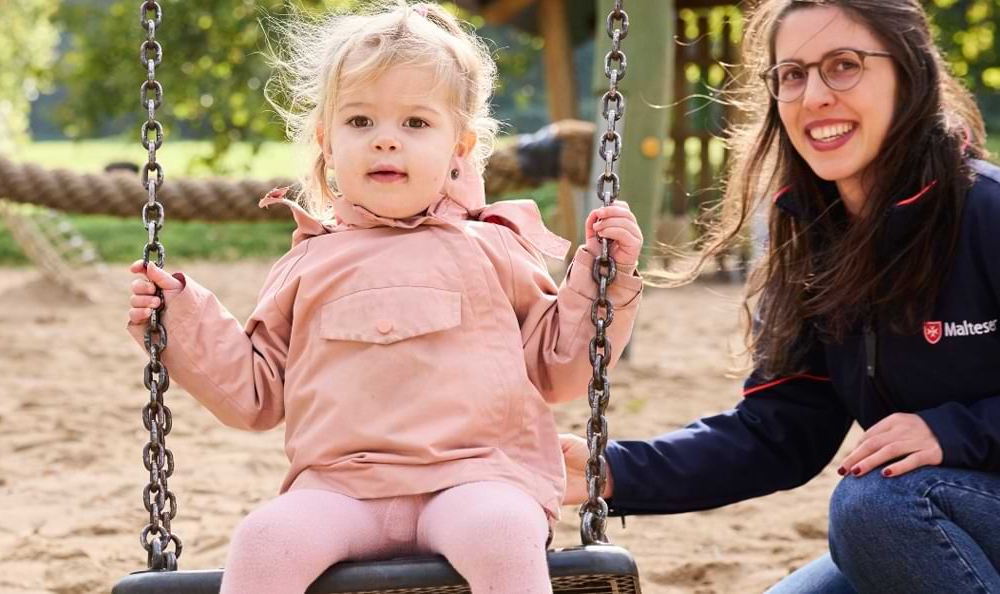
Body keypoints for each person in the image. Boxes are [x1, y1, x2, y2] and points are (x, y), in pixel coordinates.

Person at [559, 1, 1000, 593]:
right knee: (871, 521)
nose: (813, 95)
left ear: (909, 75)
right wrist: (610, 471)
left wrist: (957, 433)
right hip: (940, 517)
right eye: (791, 74)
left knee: (875, 506)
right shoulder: (818, 242)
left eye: (844, 67)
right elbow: (779, 432)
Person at [124, 2, 645, 592]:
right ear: (326, 140)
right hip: (340, 489)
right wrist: (180, 318)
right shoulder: (307, 262)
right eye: (361, 122)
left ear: (460, 148)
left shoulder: (491, 249)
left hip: (476, 479)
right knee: (264, 540)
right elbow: (255, 395)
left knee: (503, 532)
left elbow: (560, 368)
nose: (385, 143)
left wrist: (602, 279)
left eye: (416, 124)